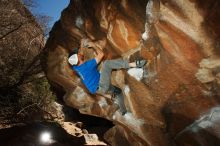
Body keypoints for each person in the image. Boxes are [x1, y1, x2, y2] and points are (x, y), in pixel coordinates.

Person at [68, 40, 147, 97]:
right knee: (107, 64)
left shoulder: (76, 67)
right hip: (102, 86)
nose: (79, 53)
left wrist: (82, 45)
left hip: (96, 90)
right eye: (77, 53)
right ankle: (134, 64)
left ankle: (111, 93)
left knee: (116, 91)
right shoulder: (87, 66)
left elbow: (79, 55)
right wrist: (94, 45)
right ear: (77, 58)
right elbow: (101, 55)